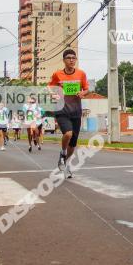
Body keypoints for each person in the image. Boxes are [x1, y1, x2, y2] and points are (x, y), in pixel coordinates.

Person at [48, 49, 88, 178]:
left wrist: (83, 93)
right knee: (68, 133)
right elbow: (49, 87)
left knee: (73, 143)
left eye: (74, 58)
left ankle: (66, 161)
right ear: (64, 60)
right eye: (69, 58)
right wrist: (53, 94)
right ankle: (63, 152)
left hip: (76, 110)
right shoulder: (57, 74)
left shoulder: (81, 74)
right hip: (62, 110)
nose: (72, 60)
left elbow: (86, 88)